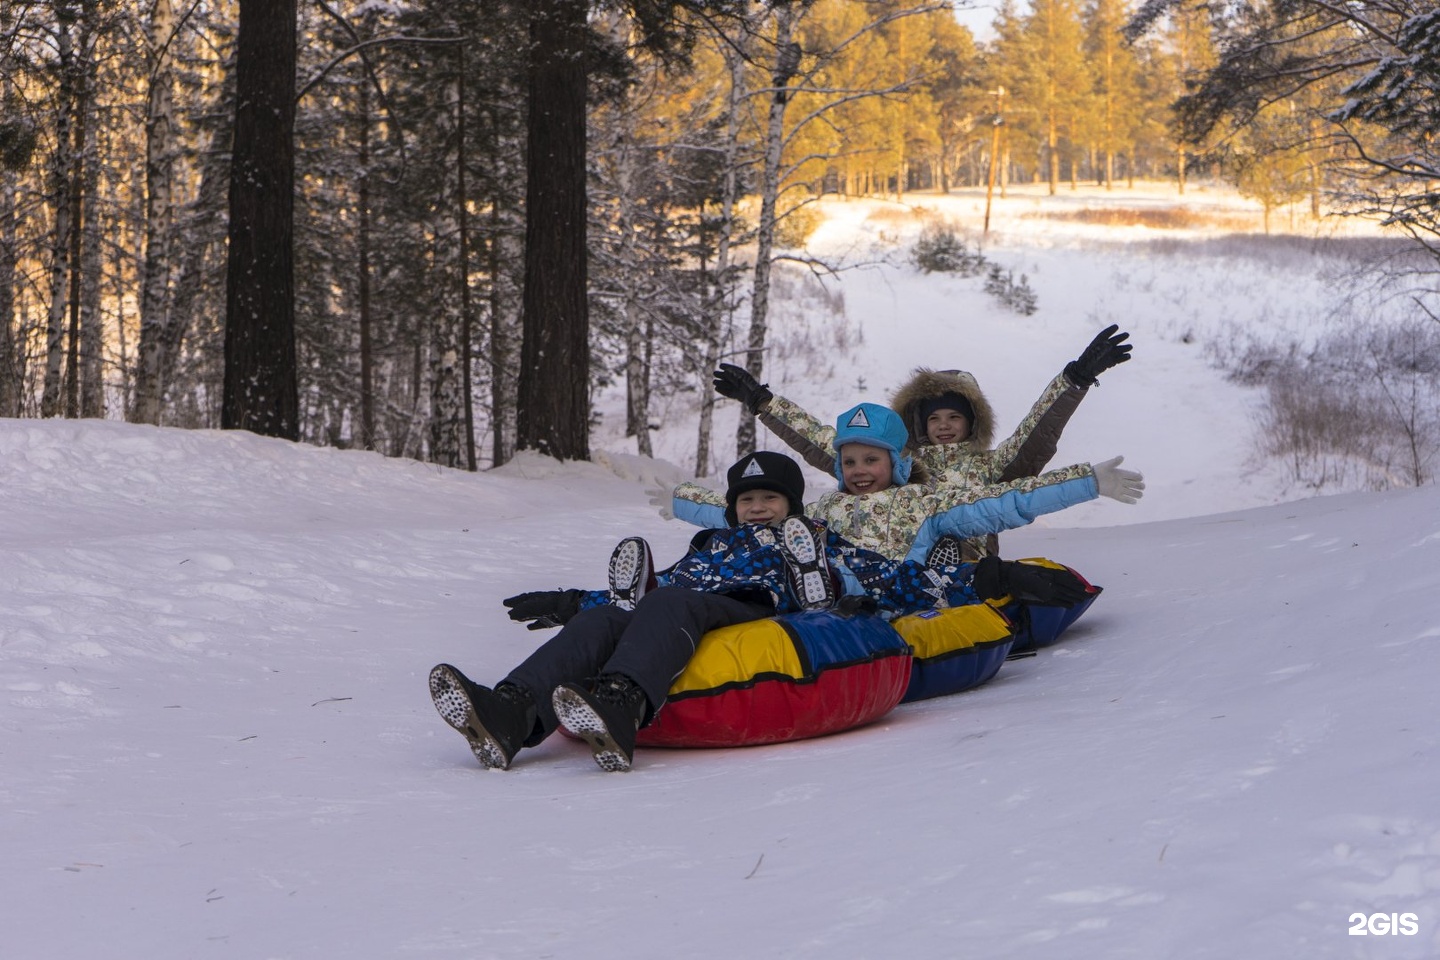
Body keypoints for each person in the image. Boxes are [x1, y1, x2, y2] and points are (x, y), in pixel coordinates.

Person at [430, 451, 1087, 774]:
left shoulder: (823, 538)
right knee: (614, 618)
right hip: (692, 600)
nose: (758, 507)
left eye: (772, 498)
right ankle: (512, 714)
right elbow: (654, 595)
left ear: (793, 506)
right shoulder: (708, 548)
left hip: (767, 608)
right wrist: (576, 602)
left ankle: (625, 702)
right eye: (748, 500)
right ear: (733, 509)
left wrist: (990, 577)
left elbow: (905, 581)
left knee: (672, 601)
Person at [713, 324, 1133, 559]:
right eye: (934, 418)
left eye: (955, 417)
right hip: (888, 560)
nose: (945, 426)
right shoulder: (891, 463)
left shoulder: (991, 466)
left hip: (962, 564)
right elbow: (822, 439)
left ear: (973, 422)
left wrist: (1074, 379)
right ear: (918, 423)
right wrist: (762, 401)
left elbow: (1036, 432)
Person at [666, 401, 1143, 563]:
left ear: (894, 465)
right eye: (848, 461)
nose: (858, 470)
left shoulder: (925, 504)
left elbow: (1004, 502)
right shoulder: (823, 510)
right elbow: (747, 511)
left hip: (896, 597)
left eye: (871, 459)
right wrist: (682, 502)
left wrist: (1086, 481)